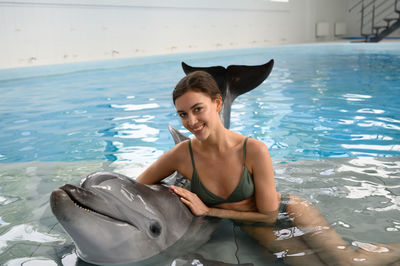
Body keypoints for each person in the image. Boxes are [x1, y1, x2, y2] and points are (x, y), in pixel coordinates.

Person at [137, 71, 400, 266]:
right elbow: (137, 188)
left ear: (218, 104)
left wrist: (210, 210)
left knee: (346, 263)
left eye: (198, 109)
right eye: (183, 114)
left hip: (287, 211)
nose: (191, 121)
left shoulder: (253, 149)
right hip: (254, 226)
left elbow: (269, 215)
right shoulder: (181, 155)